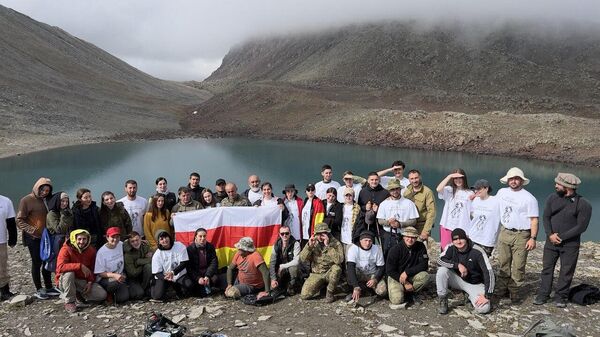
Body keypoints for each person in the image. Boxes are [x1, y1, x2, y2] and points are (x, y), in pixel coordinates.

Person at [534, 173, 592, 308]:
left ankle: (561, 297)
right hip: (551, 242)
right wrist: (550, 235)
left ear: (568, 186)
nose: (555, 186)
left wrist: (561, 237)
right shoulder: (552, 198)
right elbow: (546, 217)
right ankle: (543, 294)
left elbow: (581, 226)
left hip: (570, 245)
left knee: (566, 271)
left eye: (558, 184)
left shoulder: (583, 204)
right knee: (547, 269)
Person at [495, 167, 539, 303]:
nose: (513, 181)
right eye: (511, 179)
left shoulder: (529, 198)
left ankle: (514, 292)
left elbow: (534, 220)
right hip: (505, 231)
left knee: (519, 265)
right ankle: (501, 289)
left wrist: (533, 238)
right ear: (508, 180)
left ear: (521, 181)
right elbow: (493, 206)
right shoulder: (501, 192)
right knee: (503, 262)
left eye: (516, 179)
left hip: (522, 234)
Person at [16, 177, 61, 299]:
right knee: (37, 263)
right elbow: (19, 219)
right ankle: (38, 289)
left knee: (47, 260)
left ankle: (48, 286)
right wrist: (32, 231)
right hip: (33, 238)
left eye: (47, 190)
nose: (45, 192)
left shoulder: (48, 200)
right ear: (37, 188)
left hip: (46, 236)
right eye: (43, 189)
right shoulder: (26, 200)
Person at [437, 228, 494, 315]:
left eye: (461, 239)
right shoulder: (451, 248)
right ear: (452, 241)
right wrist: (458, 265)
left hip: (475, 284)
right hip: (458, 280)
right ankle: (443, 300)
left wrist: (487, 295)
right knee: (442, 271)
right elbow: (440, 260)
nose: (458, 242)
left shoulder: (477, 251)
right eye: (455, 239)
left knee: (484, 308)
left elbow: (489, 273)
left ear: (466, 238)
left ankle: (468, 296)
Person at [56, 229, 107, 313]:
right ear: (74, 239)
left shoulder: (91, 250)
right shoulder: (65, 249)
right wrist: (79, 266)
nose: (81, 242)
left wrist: (90, 282)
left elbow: (93, 269)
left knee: (102, 295)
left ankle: (78, 294)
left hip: (81, 280)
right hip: (65, 280)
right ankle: (69, 301)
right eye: (79, 239)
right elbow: (60, 267)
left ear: (88, 239)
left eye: (84, 239)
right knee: (69, 273)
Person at [299, 222, 344, 303]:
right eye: (318, 234)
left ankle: (330, 293)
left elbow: (339, 260)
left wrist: (328, 246)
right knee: (304, 295)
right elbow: (302, 259)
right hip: (317, 273)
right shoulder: (313, 242)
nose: (320, 236)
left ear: (327, 233)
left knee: (337, 268)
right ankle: (322, 286)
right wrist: (309, 247)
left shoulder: (335, 243)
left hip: (329, 272)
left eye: (322, 234)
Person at [386, 227, 429, 305]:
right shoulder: (395, 249)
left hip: (410, 275)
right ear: (403, 237)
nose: (410, 239)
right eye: (408, 237)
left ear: (416, 238)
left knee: (425, 276)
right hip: (396, 276)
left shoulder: (421, 246)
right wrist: (405, 282)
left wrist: (407, 272)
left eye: (413, 237)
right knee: (397, 300)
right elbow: (389, 270)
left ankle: (411, 293)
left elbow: (424, 264)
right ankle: (400, 290)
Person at [377, 179, 419, 256]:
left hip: (404, 235)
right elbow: (380, 220)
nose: (395, 191)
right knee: (388, 256)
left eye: (397, 189)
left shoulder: (409, 203)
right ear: (389, 191)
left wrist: (400, 224)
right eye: (392, 189)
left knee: (404, 256)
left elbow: (414, 221)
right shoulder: (383, 204)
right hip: (388, 235)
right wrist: (388, 222)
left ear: (400, 189)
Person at [436, 169, 473, 251]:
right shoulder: (449, 190)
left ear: (464, 178)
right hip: (447, 225)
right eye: (455, 178)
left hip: (462, 227)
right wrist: (449, 176)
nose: (458, 180)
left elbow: (472, 212)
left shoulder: (470, 193)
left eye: (460, 178)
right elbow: (438, 189)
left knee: (460, 250)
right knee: (445, 250)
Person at [151, 229, 193, 301]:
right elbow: (156, 272)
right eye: (161, 239)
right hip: (165, 276)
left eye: (166, 237)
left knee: (189, 287)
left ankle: (176, 286)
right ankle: (153, 286)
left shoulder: (179, 246)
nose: (165, 240)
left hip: (179, 274)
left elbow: (184, 262)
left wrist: (173, 272)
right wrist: (165, 277)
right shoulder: (157, 254)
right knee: (157, 296)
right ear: (159, 242)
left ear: (169, 237)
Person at [346, 231, 387, 303]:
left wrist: (376, 279)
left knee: (382, 292)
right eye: (365, 240)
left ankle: (368, 290)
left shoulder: (377, 249)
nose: (368, 243)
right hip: (359, 272)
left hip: (372, 274)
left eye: (370, 241)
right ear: (360, 240)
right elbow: (350, 267)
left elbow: (381, 267)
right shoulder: (353, 248)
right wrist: (356, 286)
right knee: (349, 274)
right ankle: (354, 290)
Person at [95, 227, 132, 304]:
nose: (115, 239)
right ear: (107, 237)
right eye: (112, 237)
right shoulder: (101, 252)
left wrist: (141, 241)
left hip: (120, 275)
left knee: (124, 298)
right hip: (106, 278)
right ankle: (108, 294)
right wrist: (115, 275)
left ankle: (116, 293)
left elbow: (131, 242)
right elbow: (100, 273)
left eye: (117, 237)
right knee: (114, 283)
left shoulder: (121, 244)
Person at [467, 179, 501, 257]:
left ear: (486, 188)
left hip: (487, 240)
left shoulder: (496, 201)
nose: (476, 191)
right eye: (475, 189)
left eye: (479, 189)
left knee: (482, 262)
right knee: (470, 261)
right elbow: (472, 216)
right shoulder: (474, 200)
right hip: (473, 237)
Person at [403, 169, 436, 242]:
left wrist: (426, 230)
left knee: (421, 250)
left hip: (421, 226)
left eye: (416, 178)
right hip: (408, 226)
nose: (414, 181)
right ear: (409, 179)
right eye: (412, 178)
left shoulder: (427, 192)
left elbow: (431, 212)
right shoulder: (406, 191)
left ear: (420, 177)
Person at [45, 192, 74, 273]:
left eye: (66, 201)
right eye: (62, 201)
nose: (65, 203)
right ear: (57, 201)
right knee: (59, 262)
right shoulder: (51, 214)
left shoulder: (67, 211)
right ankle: (58, 282)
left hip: (68, 240)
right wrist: (64, 216)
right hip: (57, 242)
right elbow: (59, 229)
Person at [269, 225, 301, 295]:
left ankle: (291, 286)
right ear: (279, 235)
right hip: (280, 270)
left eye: (287, 233)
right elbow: (272, 263)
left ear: (290, 233)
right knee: (273, 289)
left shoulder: (296, 244)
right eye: (282, 234)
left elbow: (297, 261)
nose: (284, 235)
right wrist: (273, 279)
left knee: (294, 268)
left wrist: (283, 266)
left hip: (289, 268)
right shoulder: (276, 245)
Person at [186, 228, 219, 297]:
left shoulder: (210, 247)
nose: (202, 238)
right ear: (196, 237)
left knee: (216, 279)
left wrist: (207, 275)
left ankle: (208, 285)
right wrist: (198, 278)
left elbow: (214, 262)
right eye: (200, 236)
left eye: (204, 236)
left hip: (206, 272)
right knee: (196, 291)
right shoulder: (190, 249)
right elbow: (189, 267)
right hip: (196, 273)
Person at [123, 231, 153, 299]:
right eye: (132, 241)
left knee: (149, 267)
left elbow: (152, 260)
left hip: (143, 275)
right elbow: (132, 273)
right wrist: (143, 263)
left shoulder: (145, 246)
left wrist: (139, 262)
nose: (135, 243)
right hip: (133, 278)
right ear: (129, 242)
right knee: (138, 294)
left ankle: (144, 288)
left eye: (137, 240)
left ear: (140, 238)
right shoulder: (128, 254)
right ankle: (141, 290)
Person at [0, 193, 17, 300]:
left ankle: (4, 291)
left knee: (2, 266)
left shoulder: (6, 201)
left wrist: (12, 239)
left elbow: (11, 223)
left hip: (1, 240)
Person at [339, 187, 362, 253]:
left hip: (352, 237)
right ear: (344, 196)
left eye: (350, 195)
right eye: (347, 195)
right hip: (342, 237)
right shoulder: (341, 206)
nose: (348, 197)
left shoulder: (357, 208)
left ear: (353, 196)